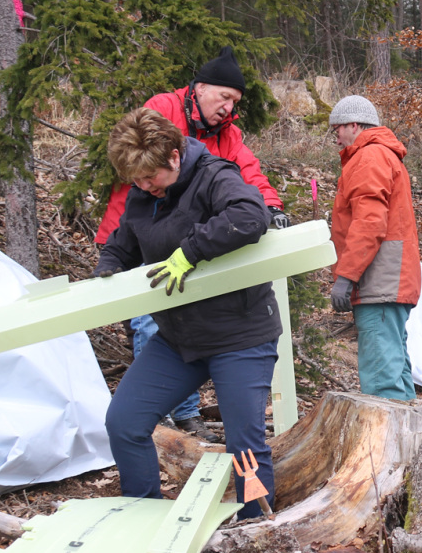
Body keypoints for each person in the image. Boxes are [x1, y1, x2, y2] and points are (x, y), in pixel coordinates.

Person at [94, 108, 280, 520]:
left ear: (175, 158)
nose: (143, 187)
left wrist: (190, 253)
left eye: (150, 178)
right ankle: (141, 520)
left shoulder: (214, 176)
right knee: (124, 422)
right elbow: (122, 241)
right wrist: (107, 267)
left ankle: (258, 529)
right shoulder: (145, 194)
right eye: (135, 181)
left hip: (240, 333)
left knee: (245, 443)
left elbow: (251, 215)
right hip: (179, 338)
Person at [94, 46, 288, 442]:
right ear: (199, 88)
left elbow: (245, 175)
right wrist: (110, 262)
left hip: (209, 276)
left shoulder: (223, 139)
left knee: (245, 439)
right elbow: (133, 200)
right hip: (152, 246)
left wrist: (271, 204)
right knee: (152, 322)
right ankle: (173, 417)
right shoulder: (161, 112)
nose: (228, 108)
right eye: (224, 97)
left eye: (235, 102)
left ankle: (187, 420)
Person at [328, 95, 421, 401]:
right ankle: (411, 442)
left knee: (383, 381)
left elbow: (369, 223)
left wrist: (346, 276)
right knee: (395, 369)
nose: (336, 137)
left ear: (354, 125)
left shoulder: (369, 158)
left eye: (338, 129)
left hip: (379, 282)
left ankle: (389, 447)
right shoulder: (380, 155)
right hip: (387, 280)